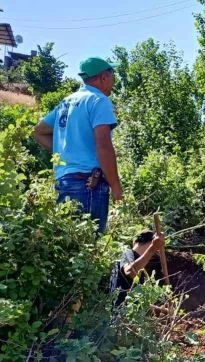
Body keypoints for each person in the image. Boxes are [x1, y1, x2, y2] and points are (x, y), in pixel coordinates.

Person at [32, 56, 123, 234]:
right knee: (90, 247)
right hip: (89, 184)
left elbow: (38, 131)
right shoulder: (98, 100)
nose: (113, 81)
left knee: (70, 248)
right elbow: (104, 146)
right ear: (103, 77)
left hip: (63, 182)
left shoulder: (66, 102)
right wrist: (116, 186)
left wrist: (64, 151)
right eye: (112, 76)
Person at [110, 230, 166, 307]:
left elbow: (137, 302)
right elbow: (130, 271)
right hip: (119, 313)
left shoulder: (141, 267)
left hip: (129, 314)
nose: (155, 252)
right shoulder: (128, 253)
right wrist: (153, 248)